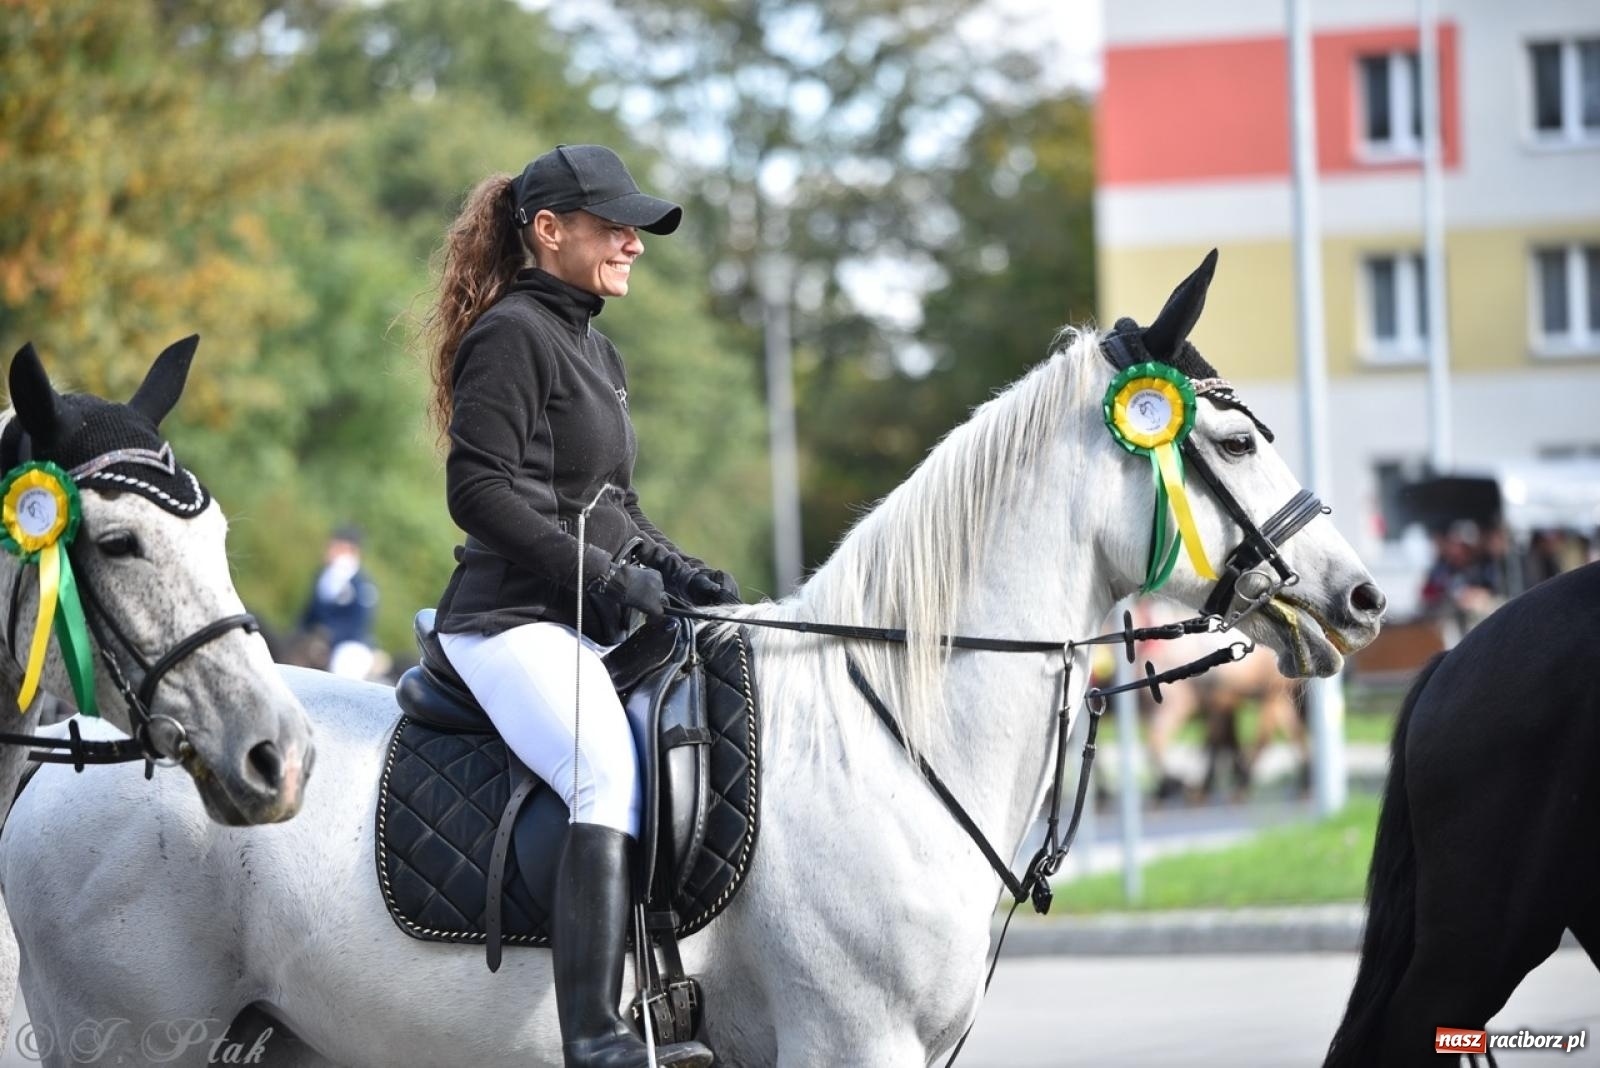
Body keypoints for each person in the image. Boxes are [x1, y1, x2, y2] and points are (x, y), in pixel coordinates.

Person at [422, 145, 735, 1068]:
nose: (633, 243)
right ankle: (595, 1035)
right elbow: (478, 492)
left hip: (573, 625)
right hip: (506, 622)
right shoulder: (511, 334)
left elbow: (614, 505)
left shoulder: (597, 347)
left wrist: (681, 572)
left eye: (636, 230)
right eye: (615, 226)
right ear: (550, 230)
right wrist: (602, 576)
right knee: (606, 769)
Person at [298, 526, 380, 680]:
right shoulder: (323, 577)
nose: (329, 551)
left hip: (349, 644)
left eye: (336, 547)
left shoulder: (362, 584)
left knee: (342, 668)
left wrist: (329, 637)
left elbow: (358, 623)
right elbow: (308, 614)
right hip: (318, 639)